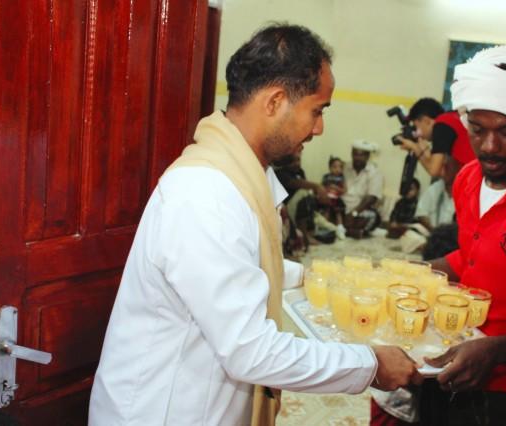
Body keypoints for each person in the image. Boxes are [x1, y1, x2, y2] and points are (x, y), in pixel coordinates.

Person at [89, 24, 421, 426]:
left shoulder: (243, 173)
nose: (319, 128)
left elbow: (242, 263)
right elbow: (251, 350)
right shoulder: (205, 193)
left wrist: (321, 279)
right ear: (275, 101)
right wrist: (370, 365)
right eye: (317, 111)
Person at [373, 45, 506, 425]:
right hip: (459, 363)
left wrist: (494, 351)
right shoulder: (468, 180)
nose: (489, 147)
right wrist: (410, 272)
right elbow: (473, 256)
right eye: (477, 130)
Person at [397, 98, 475, 177]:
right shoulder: (450, 119)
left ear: (426, 121)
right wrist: (420, 148)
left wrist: (414, 147)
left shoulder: (441, 125)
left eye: (416, 127)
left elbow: (434, 171)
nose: (418, 133)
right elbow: (443, 172)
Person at [342, 140, 385, 238]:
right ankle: (351, 231)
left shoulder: (375, 172)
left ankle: (345, 229)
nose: (357, 158)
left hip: (359, 210)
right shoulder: (344, 167)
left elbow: (372, 198)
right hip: (341, 208)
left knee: (373, 216)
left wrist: (354, 213)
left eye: (361, 155)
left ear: (367, 156)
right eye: (355, 154)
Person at [414, 155, 461, 231]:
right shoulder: (435, 188)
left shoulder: (466, 193)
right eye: (441, 167)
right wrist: (434, 232)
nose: (442, 172)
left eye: (446, 168)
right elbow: (421, 214)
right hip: (431, 233)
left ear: (457, 169)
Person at [321, 156, 347, 239]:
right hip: (327, 198)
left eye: (340, 167)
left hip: (336, 198)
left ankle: (340, 228)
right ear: (330, 168)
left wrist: (336, 188)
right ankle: (324, 227)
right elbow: (321, 187)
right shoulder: (326, 177)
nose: (337, 169)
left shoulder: (341, 178)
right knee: (326, 211)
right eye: (335, 167)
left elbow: (344, 190)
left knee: (338, 213)